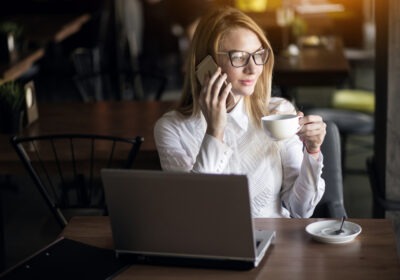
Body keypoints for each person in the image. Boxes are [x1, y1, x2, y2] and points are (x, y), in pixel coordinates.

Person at [154, 6, 326, 218]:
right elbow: (194, 212)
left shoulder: (278, 112)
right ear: (206, 65)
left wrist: (313, 152)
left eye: (257, 55)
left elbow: (300, 211)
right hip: (211, 248)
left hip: (276, 243)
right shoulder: (172, 129)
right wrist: (214, 132)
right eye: (238, 57)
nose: (253, 68)